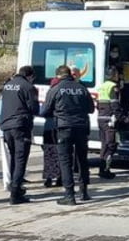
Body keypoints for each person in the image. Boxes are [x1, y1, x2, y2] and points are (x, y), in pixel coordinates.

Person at [41, 65, 95, 205]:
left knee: (65, 161)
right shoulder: (82, 88)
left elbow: (45, 111)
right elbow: (91, 109)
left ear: (58, 75)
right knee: (82, 160)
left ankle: (69, 195)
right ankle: (84, 192)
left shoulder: (56, 89)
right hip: (82, 127)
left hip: (64, 127)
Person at [0, 65, 39, 205]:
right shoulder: (28, 87)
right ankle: (15, 193)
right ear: (30, 75)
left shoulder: (8, 85)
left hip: (7, 125)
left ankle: (14, 187)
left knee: (14, 157)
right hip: (21, 125)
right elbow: (34, 108)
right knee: (21, 158)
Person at [97, 66, 123, 179]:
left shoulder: (102, 86)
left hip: (101, 118)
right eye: (117, 74)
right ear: (113, 75)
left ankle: (101, 169)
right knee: (111, 145)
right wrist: (122, 117)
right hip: (110, 120)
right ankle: (105, 170)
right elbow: (115, 104)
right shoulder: (113, 87)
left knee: (104, 145)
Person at [43, 76, 62, 187]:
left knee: (49, 152)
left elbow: (44, 110)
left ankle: (49, 178)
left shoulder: (50, 93)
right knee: (60, 152)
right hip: (60, 126)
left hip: (49, 126)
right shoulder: (63, 93)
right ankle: (60, 177)